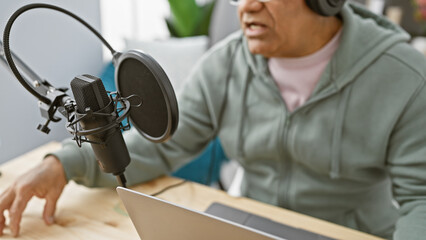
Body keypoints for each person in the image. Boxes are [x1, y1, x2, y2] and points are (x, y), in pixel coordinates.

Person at [1, 0, 426, 239]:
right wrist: (61, 164)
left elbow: (421, 202)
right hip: (249, 229)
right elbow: (166, 140)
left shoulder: (404, 75)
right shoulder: (225, 63)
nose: (247, 7)